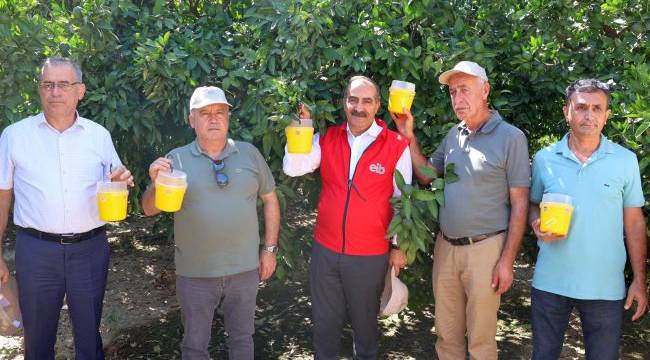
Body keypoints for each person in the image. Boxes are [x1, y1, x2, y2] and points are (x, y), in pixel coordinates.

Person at [393, 61, 530, 359]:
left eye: (465, 90)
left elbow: (520, 204)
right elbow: (427, 174)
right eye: (453, 92)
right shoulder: (453, 135)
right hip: (446, 248)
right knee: (446, 336)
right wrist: (408, 135)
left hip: (486, 249)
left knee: (481, 342)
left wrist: (507, 261)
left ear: (486, 90)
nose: (457, 99)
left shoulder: (511, 137)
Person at [0, 57, 134, 359]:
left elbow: (116, 179)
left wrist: (121, 180)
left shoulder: (98, 136)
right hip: (35, 251)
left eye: (63, 84)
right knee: (37, 338)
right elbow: (2, 197)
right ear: (39, 90)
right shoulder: (14, 136)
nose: (55, 92)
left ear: (80, 91)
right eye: (48, 84)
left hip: (89, 249)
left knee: (89, 336)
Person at [141, 86, 280, 359]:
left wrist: (270, 249)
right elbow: (149, 210)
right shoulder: (175, 159)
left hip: (244, 269)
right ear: (191, 120)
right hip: (195, 274)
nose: (213, 118)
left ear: (228, 117)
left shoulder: (249, 153)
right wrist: (156, 184)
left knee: (242, 339)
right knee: (195, 345)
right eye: (204, 113)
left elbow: (270, 199)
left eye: (220, 112)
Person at [283, 75, 412, 359]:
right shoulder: (328, 137)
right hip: (326, 251)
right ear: (345, 103)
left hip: (370, 254)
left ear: (378, 105)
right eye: (353, 99)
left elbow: (403, 200)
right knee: (324, 329)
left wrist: (398, 246)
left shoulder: (396, 145)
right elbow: (293, 167)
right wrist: (303, 128)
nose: (359, 107)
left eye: (367, 101)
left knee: (365, 332)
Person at [528, 79, 648, 359]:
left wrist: (640, 280)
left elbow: (634, 223)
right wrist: (535, 223)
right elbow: (533, 204)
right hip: (550, 282)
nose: (589, 115)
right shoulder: (545, 159)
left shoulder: (625, 160)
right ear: (566, 111)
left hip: (605, 286)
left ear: (606, 115)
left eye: (597, 108)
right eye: (581, 107)